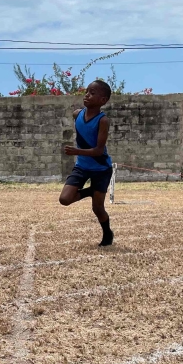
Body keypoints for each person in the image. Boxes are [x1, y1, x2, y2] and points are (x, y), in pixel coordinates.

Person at [58, 80, 115, 247]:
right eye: (87, 92)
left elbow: (98, 150)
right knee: (65, 199)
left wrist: (77, 151)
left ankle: (107, 233)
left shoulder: (103, 121)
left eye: (92, 93)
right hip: (82, 166)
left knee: (97, 209)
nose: (87, 95)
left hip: (101, 168)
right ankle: (91, 191)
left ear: (103, 100)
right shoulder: (77, 114)